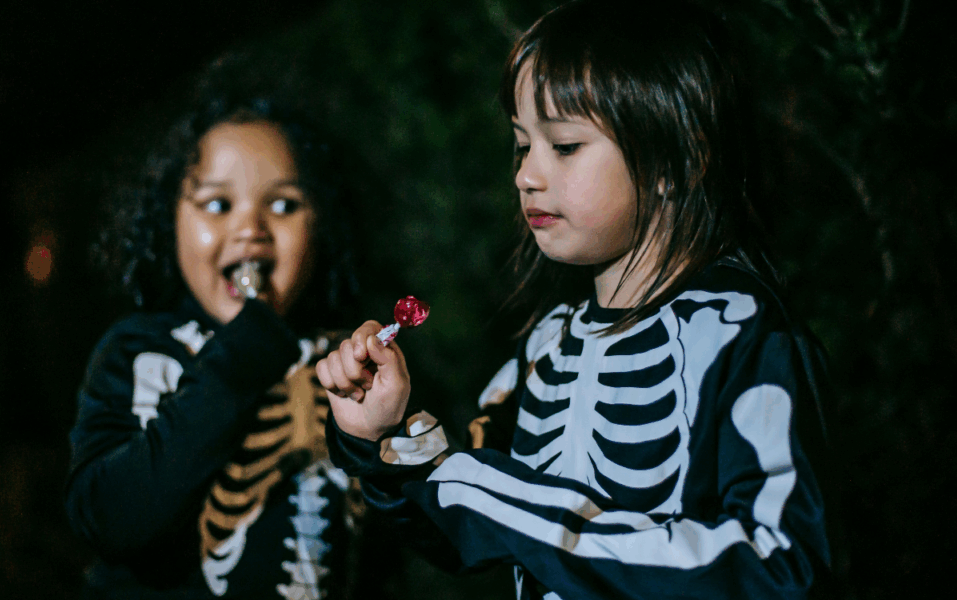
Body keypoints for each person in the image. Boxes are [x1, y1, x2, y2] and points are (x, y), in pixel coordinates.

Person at [315, 1, 834, 598]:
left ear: (675, 157)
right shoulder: (545, 346)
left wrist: (493, 495)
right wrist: (379, 437)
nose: (526, 176)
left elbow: (781, 566)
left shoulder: (746, 338)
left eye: (563, 145)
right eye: (521, 145)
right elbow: (467, 529)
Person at [65, 70, 367, 599]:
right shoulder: (135, 350)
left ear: (323, 226)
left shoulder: (345, 363)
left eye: (283, 205)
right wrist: (237, 362)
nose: (250, 228)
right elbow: (107, 520)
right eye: (217, 204)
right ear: (168, 219)